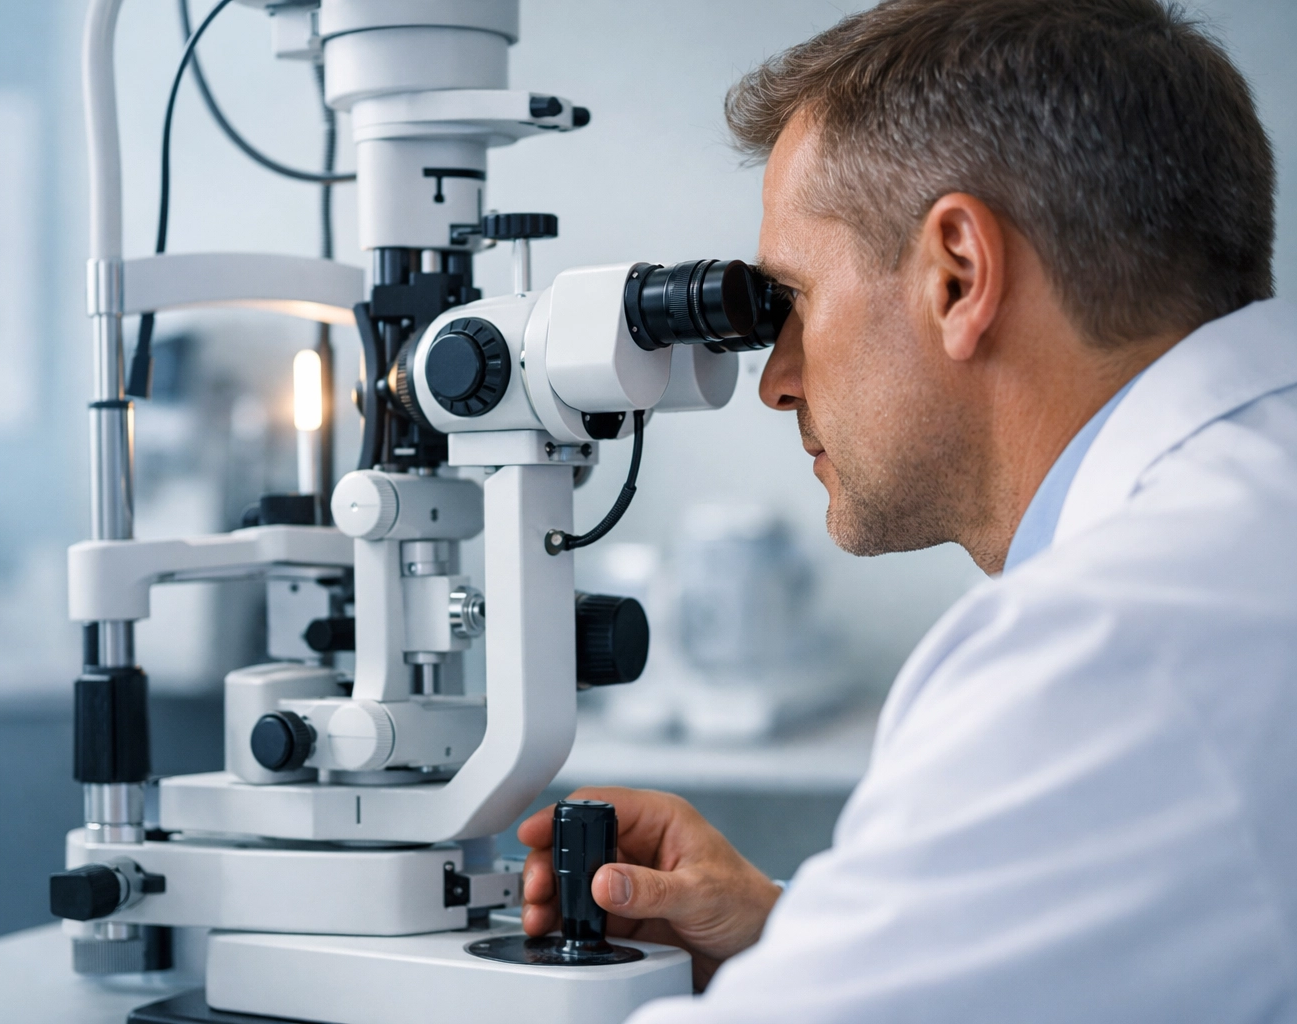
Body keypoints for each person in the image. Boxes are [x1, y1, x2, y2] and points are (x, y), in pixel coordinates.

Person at [517, 0, 1297, 1020]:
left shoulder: (1118, 639)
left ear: (958, 275)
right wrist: (800, 933)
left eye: (792, 301)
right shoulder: (1242, 522)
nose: (777, 381)